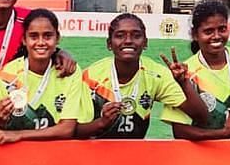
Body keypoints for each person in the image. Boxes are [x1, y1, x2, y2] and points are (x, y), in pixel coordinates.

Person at [77, 13, 207, 139]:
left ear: (145, 42)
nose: (128, 41)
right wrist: (102, 122)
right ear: (109, 44)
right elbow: (74, 130)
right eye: (120, 35)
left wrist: (184, 83)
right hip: (93, 153)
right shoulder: (91, 77)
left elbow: (201, 116)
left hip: (137, 152)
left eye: (136, 36)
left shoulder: (157, 74)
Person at [161, 0, 230, 140]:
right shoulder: (184, 73)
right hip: (207, 157)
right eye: (208, 31)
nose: (216, 36)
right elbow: (180, 132)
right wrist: (225, 134)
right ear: (195, 35)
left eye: (222, 29)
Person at [0, 8, 85, 144]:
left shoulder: (70, 72)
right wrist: (1, 120)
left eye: (47, 36)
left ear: (57, 38)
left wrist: (19, 135)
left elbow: (67, 129)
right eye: (34, 36)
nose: (41, 42)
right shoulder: (4, 77)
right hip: (14, 157)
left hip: (55, 155)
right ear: (24, 39)